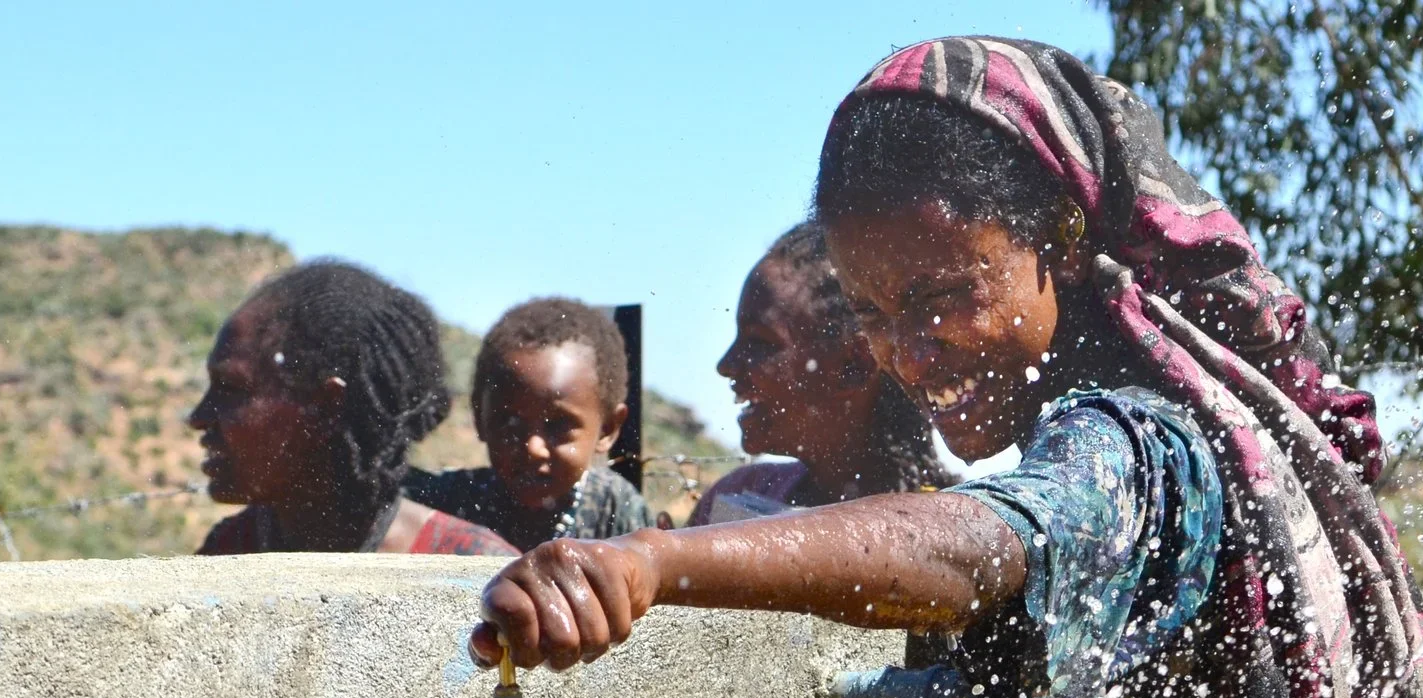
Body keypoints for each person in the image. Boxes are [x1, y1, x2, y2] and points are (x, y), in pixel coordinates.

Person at [474, 37, 1423, 698]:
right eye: (874, 316)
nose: (911, 356)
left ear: (1059, 237)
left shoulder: (1143, 439)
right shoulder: (1126, 410)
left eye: (942, 296)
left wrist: (654, 563)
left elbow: (982, 545)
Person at [191, 260, 513, 558]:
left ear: (325, 408)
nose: (199, 418)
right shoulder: (229, 549)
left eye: (231, 389)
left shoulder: (474, 569)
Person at [693, 220, 954, 524]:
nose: (726, 364)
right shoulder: (742, 492)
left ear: (854, 365)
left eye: (759, 342)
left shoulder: (937, 529)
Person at [407, 298, 651, 551]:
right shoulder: (448, 501)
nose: (533, 448)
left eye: (559, 425)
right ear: (480, 420)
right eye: (510, 423)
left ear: (607, 429)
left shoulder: (616, 511)